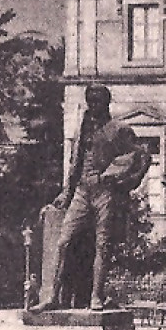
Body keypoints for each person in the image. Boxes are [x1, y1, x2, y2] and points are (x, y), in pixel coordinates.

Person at [38, 85, 152, 310]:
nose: (93, 106)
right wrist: (66, 193)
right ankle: (52, 297)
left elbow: (140, 155)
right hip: (81, 191)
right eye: (90, 101)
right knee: (63, 242)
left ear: (106, 103)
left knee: (103, 245)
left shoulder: (118, 129)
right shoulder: (84, 129)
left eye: (98, 102)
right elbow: (75, 164)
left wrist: (114, 176)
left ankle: (96, 296)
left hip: (104, 192)